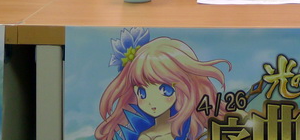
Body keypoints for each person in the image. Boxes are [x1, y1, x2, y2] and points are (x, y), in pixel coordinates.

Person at [96, 28, 229, 140]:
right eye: (142, 93)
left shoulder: (193, 128)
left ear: (183, 87)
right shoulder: (145, 136)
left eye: (164, 90)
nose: (152, 101)